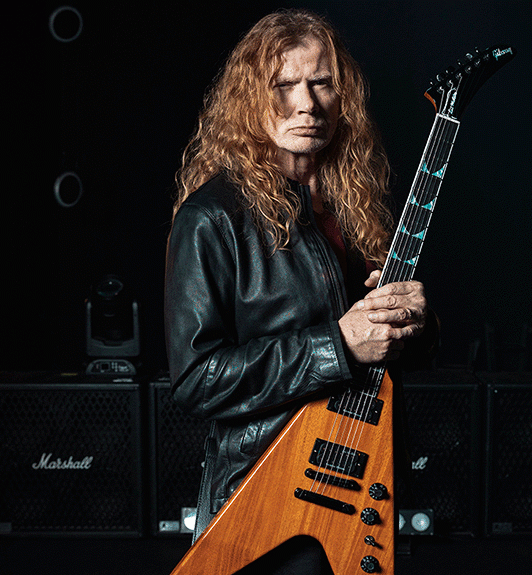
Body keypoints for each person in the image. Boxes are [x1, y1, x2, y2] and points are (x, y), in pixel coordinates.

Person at [164, 9, 436, 574]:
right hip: (265, 493)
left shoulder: (353, 205)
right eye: (284, 85)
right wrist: (338, 344)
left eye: (322, 83)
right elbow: (196, 380)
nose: (306, 104)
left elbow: (382, 354)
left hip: (362, 479)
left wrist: (415, 324)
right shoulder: (211, 218)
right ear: (249, 100)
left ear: (344, 96)